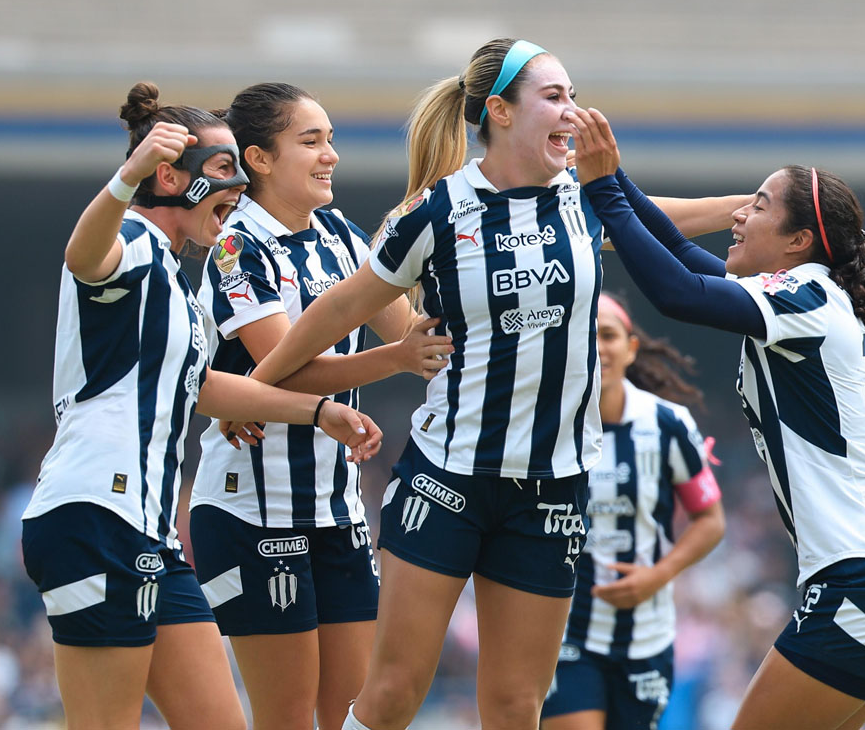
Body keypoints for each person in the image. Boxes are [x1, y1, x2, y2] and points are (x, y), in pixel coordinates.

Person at [230, 39, 746, 730]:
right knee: (388, 698)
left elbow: (660, 220)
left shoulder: (587, 199)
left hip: (553, 488)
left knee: (514, 707)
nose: (574, 110)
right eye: (555, 97)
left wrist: (753, 203)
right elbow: (341, 308)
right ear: (499, 111)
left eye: (573, 94)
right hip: (449, 479)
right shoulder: (438, 211)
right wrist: (254, 390)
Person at [569, 107, 865, 730]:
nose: (740, 216)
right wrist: (614, 177)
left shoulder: (807, 297)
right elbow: (683, 255)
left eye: (760, 206)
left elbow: (677, 293)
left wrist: (604, 190)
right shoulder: (804, 295)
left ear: (799, 241)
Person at [20, 83, 382, 730]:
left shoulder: (171, 274)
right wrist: (126, 179)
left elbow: (204, 387)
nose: (239, 186)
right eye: (223, 170)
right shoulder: (128, 237)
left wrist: (318, 411)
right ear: (169, 176)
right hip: (93, 516)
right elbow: (83, 256)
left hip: (149, 528)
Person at [188, 82, 453, 730]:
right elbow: (291, 371)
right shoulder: (236, 244)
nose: (331, 154)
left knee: (356, 712)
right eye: (311, 141)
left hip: (336, 512)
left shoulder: (338, 231)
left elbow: (408, 329)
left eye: (330, 139)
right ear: (260, 159)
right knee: (287, 718)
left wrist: (433, 249)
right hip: (250, 511)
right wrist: (395, 358)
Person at [541, 293, 725, 730]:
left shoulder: (668, 423)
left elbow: (711, 520)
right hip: (563, 632)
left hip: (646, 635)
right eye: (588, 335)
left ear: (631, 348)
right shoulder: (543, 424)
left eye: (608, 335)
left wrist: (657, 576)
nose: (599, 346)